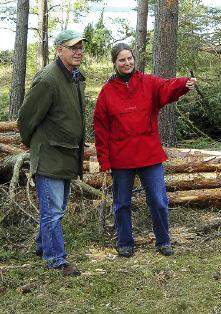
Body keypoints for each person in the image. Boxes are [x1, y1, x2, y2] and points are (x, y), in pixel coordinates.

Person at [93, 43, 196, 258]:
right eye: (122, 60)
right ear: (115, 63)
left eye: (129, 58)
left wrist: (184, 84)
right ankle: (125, 242)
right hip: (121, 158)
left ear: (134, 59)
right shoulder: (106, 92)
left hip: (149, 155)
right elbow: (100, 129)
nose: (127, 63)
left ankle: (163, 240)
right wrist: (104, 161)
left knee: (158, 200)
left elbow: (167, 87)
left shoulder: (148, 82)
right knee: (121, 203)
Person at [18, 30, 87, 275]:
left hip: (65, 155)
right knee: (53, 211)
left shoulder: (74, 77)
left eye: (80, 47)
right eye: (72, 47)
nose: (78, 51)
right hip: (49, 156)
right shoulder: (48, 79)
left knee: (55, 209)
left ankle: (41, 245)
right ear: (59, 50)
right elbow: (26, 119)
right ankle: (56, 259)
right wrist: (36, 146)